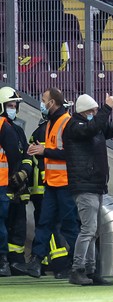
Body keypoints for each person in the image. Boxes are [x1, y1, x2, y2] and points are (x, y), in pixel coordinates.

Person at [63, 93, 113, 286]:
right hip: (84, 184)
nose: (96, 114)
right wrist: (107, 108)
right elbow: (93, 128)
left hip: (95, 184)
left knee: (93, 231)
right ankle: (77, 270)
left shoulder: (92, 127)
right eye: (93, 111)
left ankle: (91, 271)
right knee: (88, 230)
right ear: (85, 112)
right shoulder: (74, 127)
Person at [13, 88, 80, 279]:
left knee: (69, 225)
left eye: (44, 100)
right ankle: (35, 262)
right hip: (51, 183)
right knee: (44, 223)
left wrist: (44, 152)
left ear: (53, 103)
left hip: (65, 184)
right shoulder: (50, 123)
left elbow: (69, 153)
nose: (41, 103)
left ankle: (78, 262)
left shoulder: (67, 123)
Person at [0, 86, 34, 276]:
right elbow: (12, 157)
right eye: (10, 105)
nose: (13, 108)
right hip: (5, 186)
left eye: (15, 105)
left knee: (18, 227)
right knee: (4, 225)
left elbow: (27, 155)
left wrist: (24, 172)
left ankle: (16, 262)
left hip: (18, 187)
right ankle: (6, 262)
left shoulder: (18, 131)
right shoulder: (4, 127)